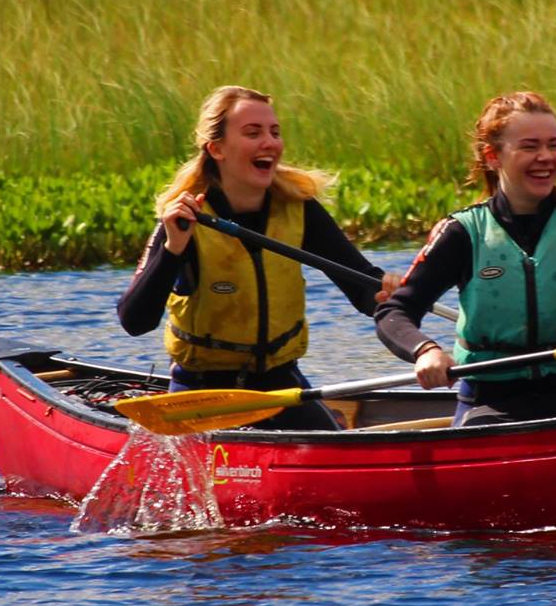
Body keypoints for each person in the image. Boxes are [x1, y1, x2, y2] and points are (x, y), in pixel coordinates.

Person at [376, 91, 556, 426]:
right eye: (530, 146)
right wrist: (425, 351)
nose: (546, 157)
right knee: (488, 429)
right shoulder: (463, 233)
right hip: (490, 405)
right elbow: (395, 311)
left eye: (554, 145)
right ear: (493, 156)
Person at [119, 85, 398, 429]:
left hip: (279, 386)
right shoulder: (186, 218)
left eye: (275, 132)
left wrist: (394, 295)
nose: (270, 143)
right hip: (203, 393)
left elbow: (363, 289)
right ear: (216, 149)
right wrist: (173, 248)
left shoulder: (299, 209)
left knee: (339, 452)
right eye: (253, 133)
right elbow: (134, 321)